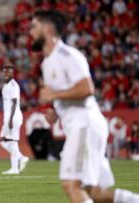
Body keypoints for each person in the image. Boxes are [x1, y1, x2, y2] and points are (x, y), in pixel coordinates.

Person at [30, 9, 139, 203]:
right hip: (80, 126)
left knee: (72, 184)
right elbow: (67, 94)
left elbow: (87, 88)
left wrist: (53, 95)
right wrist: (56, 112)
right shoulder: (47, 63)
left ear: (47, 29)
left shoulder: (67, 55)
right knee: (95, 192)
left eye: (34, 26)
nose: (30, 32)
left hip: (85, 124)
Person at [0, 65, 29, 175]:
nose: (6, 74)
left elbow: (15, 102)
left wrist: (11, 119)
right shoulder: (6, 85)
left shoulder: (13, 85)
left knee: (12, 141)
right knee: (3, 141)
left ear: (13, 73)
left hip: (13, 116)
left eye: (8, 72)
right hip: (8, 116)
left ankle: (15, 168)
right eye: (4, 72)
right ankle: (21, 158)